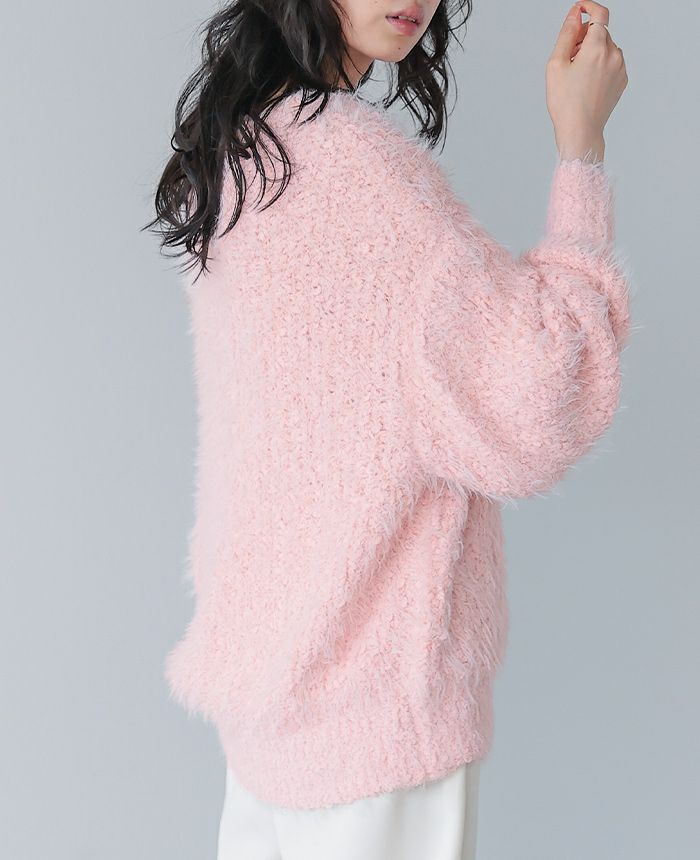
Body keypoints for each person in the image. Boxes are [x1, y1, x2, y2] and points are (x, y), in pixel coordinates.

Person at [145, 1, 630, 857]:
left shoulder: (242, 153)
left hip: (272, 718)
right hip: (374, 730)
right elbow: (541, 393)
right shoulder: (363, 183)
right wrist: (580, 147)